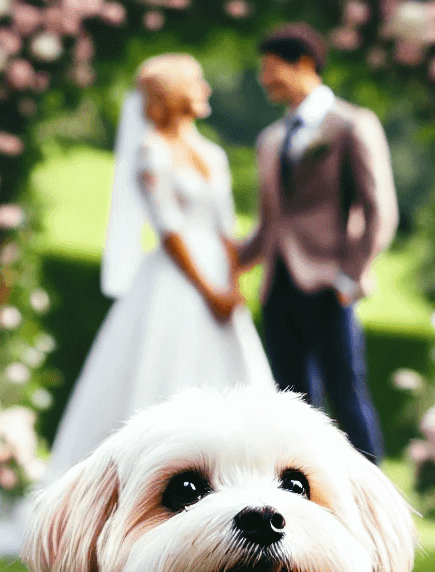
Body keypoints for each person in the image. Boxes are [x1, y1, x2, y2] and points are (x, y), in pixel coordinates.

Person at [44, 53, 273, 476]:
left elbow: (225, 227)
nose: (205, 90)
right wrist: (209, 290)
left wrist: (232, 286)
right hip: (178, 279)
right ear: (171, 93)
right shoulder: (151, 150)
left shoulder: (212, 153)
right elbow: (169, 231)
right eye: (196, 82)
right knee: (164, 374)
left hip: (220, 279)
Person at [237, 23, 398, 462]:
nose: (265, 80)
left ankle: (372, 503)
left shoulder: (352, 125)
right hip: (278, 286)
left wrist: (351, 275)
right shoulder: (269, 140)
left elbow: (380, 210)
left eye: (271, 69)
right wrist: (227, 260)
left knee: (346, 393)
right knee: (290, 402)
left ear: (304, 64)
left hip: (330, 284)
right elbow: (270, 223)